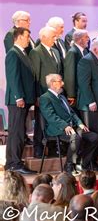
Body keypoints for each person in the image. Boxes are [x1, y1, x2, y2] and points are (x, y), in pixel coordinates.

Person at [40, 74, 98, 174]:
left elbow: (71, 113)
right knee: (75, 137)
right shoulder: (45, 98)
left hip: (72, 127)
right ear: (52, 84)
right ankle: (69, 164)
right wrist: (65, 126)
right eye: (60, 81)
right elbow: (51, 116)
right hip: (57, 129)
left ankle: (82, 163)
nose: (62, 83)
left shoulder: (62, 97)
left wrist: (80, 123)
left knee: (94, 137)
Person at [4, 27, 37, 174]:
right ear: (18, 37)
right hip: (17, 99)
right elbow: (13, 77)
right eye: (27, 37)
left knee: (17, 131)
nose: (29, 40)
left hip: (23, 98)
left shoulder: (22, 53)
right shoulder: (13, 53)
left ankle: (12, 162)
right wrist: (18, 96)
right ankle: (15, 163)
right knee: (16, 132)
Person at [76, 38, 98, 170]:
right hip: (91, 106)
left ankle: (93, 161)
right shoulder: (86, 61)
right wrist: (91, 101)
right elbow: (84, 84)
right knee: (92, 136)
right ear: (95, 49)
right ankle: (86, 163)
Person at [30, 26, 63, 157]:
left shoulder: (55, 51)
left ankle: (54, 147)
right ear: (43, 37)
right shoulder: (36, 52)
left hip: (56, 93)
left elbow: (59, 71)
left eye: (55, 36)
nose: (55, 39)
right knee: (41, 121)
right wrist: (37, 96)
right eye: (52, 37)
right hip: (43, 93)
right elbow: (36, 76)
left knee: (54, 120)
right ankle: (38, 148)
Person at [63, 29, 89, 106]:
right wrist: (71, 94)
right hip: (76, 93)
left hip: (84, 91)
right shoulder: (72, 52)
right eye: (86, 37)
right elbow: (70, 74)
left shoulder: (85, 51)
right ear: (80, 39)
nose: (88, 39)